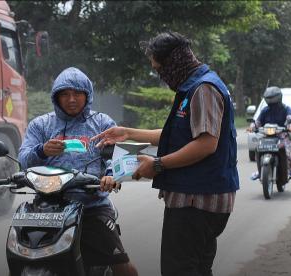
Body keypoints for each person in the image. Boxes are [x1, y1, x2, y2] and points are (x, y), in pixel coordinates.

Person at [93, 31, 239, 276]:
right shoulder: (192, 88)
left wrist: (158, 164)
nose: (161, 76)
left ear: (174, 63)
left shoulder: (203, 89)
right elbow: (178, 135)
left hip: (198, 201)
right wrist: (128, 132)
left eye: (160, 69)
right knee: (197, 269)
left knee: (179, 270)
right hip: (196, 199)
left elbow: (205, 144)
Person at [18, 67, 138, 275]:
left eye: (77, 94)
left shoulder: (102, 123)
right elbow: (24, 160)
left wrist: (111, 175)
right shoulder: (41, 125)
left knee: (122, 266)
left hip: (92, 206)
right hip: (46, 209)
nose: (71, 99)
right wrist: (42, 150)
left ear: (87, 95)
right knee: (20, 258)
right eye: (64, 94)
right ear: (56, 97)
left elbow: (119, 157)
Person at [248, 86, 291, 180]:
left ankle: (289, 170)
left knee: (287, 152)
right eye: (269, 98)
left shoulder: (286, 109)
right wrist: (252, 126)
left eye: (273, 98)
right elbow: (258, 122)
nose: (271, 101)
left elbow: (290, 118)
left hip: (282, 135)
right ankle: (260, 171)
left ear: (279, 97)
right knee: (257, 149)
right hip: (266, 135)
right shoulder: (265, 110)